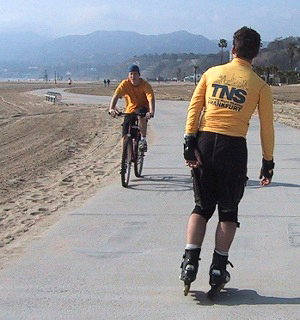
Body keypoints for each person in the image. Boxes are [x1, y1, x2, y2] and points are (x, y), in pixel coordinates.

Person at [180, 26, 275, 298]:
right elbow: (267, 128)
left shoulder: (211, 73)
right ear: (255, 54)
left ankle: (189, 262)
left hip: (205, 143)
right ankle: (218, 269)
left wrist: (189, 143)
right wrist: (268, 162)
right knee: (228, 212)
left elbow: (194, 107)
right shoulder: (260, 86)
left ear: (233, 49)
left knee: (201, 207)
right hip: (233, 150)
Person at [109, 64, 155, 152]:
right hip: (130, 110)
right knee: (125, 132)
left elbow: (151, 98)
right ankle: (126, 155)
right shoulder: (125, 84)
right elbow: (116, 96)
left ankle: (143, 140)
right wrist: (111, 108)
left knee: (141, 116)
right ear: (128, 75)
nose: (133, 76)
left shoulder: (145, 85)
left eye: (135, 74)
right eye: (131, 74)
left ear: (139, 75)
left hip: (142, 107)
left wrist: (151, 111)